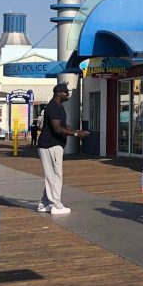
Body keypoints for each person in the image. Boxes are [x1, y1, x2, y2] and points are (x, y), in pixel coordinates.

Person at [36, 82, 88, 215]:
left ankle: (44, 204)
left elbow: (64, 125)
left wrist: (76, 130)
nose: (68, 94)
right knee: (54, 176)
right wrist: (76, 134)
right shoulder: (53, 107)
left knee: (52, 175)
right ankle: (56, 205)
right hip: (51, 145)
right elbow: (57, 128)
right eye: (65, 92)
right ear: (58, 93)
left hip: (51, 145)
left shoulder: (58, 106)